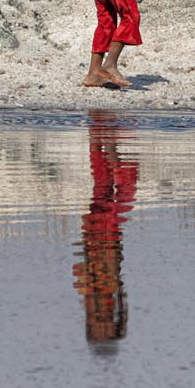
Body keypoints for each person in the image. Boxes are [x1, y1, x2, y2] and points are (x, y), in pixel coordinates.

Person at [72, 112, 138, 347]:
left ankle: (104, 143)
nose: (103, 323)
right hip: (101, 250)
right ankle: (100, 139)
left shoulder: (94, 303)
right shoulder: (96, 304)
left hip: (102, 250)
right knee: (105, 192)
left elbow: (94, 277)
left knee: (113, 196)